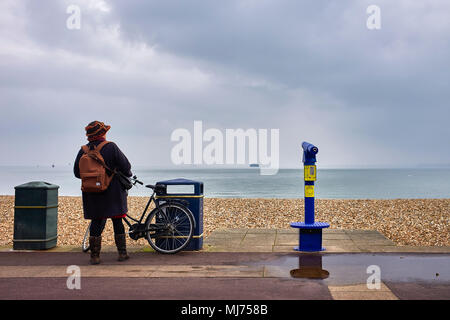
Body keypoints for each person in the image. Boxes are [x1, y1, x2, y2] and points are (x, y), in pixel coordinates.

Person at [74, 121, 132, 265]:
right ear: (103, 133)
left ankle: (95, 256)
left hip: (92, 193)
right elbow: (126, 166)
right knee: (117, 221)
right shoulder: (111, 147)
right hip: (112, 192)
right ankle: (122, 253)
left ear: (89, 136)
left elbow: (77, 173)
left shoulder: (83, 150)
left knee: (96, 222)